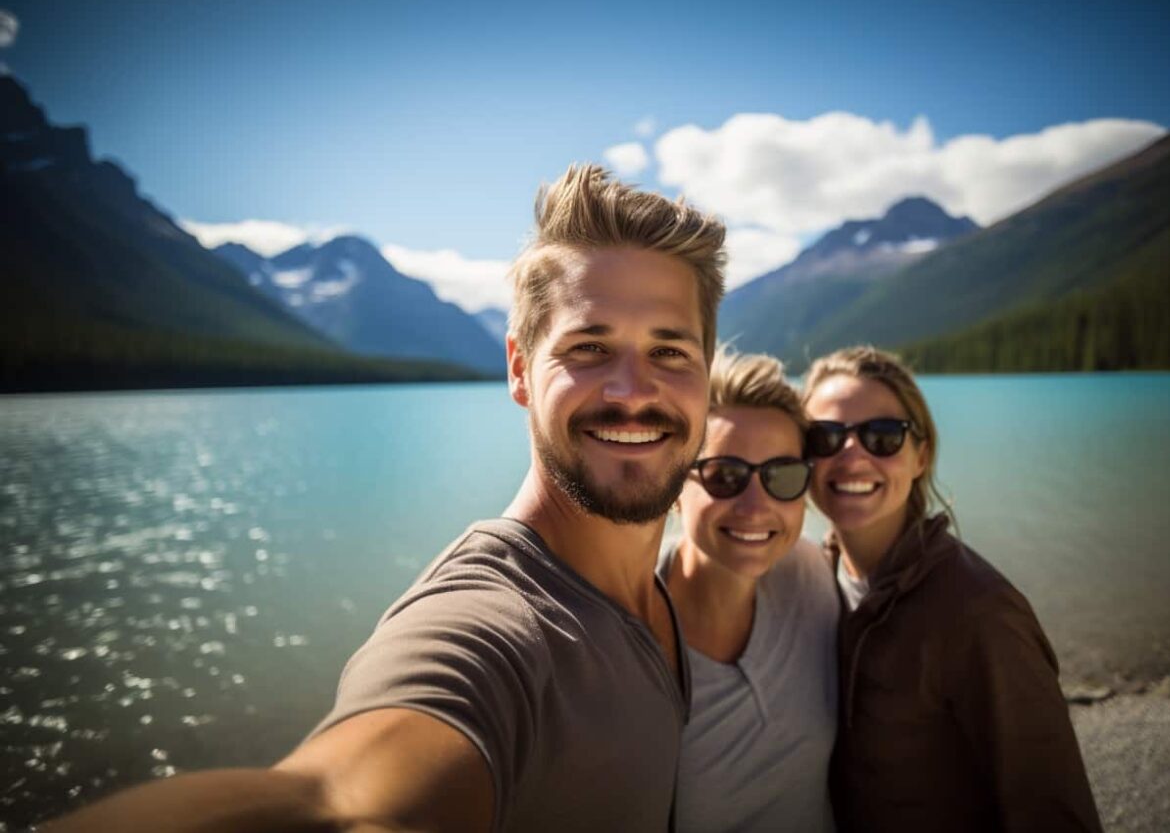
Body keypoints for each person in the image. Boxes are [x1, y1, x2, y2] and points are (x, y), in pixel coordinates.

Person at [48, 164, 727, 833]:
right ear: (519, 369)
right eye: (589, 347)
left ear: (706, 368)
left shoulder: (649, 588)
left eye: (669, 353)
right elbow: (340, 799)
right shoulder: (498, 624)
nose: (632, 391)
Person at [803, 345, 1102, 833]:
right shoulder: (811, 583)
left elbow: (1055, 813)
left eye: (882, 436)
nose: (851, 455)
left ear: (921, 456)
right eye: (825, 436)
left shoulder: (981, 614)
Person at [659, 350, 838, 833]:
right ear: (674, 484)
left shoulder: (813, 578)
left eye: (783, 475)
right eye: (725, 475)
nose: (756, 507)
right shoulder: (628, 634)